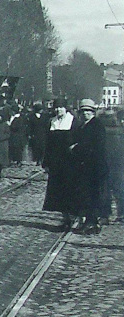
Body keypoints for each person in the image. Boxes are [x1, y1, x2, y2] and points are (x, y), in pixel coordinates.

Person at [42, 100, 79, 231]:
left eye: (61, 108)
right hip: (56, 162)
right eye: (57, 108)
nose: (58, 110)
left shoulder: (73, 121)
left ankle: (73, 217)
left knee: (70, 189)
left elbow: (78, 140)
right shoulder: (52, 122)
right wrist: (45, 162)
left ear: (66, 108)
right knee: (58, 192)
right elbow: (48, 144)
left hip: (70, 162)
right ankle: (65, 219)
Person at [71, 99, 106, 234]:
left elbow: (94, 145)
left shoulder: (96, 125)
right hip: (86, 166)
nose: (86, 113)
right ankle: (89, 222)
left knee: (92, 194)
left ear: (93, 112)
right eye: (84, 111)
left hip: (94, 166)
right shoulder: (83, 125)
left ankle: (92, 223)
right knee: (86, 194)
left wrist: (76, 147)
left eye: (89, 111)